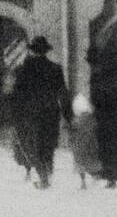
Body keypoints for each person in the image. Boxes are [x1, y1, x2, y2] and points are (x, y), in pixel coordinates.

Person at [8, 35, 71, 188]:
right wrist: (68, 116)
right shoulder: (56, 69)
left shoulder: (22, 70)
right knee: (48, 143)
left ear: (32, 51)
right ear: (45, 51)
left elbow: (16, 95)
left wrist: (13, 116)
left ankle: (43, 176)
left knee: (33, 145)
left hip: (30, 114)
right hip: (51, 113)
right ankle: (47, 172)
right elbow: (63, 93)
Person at [88, 42, 117, 188]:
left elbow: (94, 98)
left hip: (104, 117)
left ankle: (110, 176)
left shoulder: (97, 77)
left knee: (106, 146)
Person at [69, 93, 102, 189]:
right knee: (93, 163)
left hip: (79, 148)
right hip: (90, 146)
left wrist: (71, 143)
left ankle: (83, 183)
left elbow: (72, 135)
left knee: (81, 165)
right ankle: (96, 176)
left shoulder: (75, 121)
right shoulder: (93, 120)